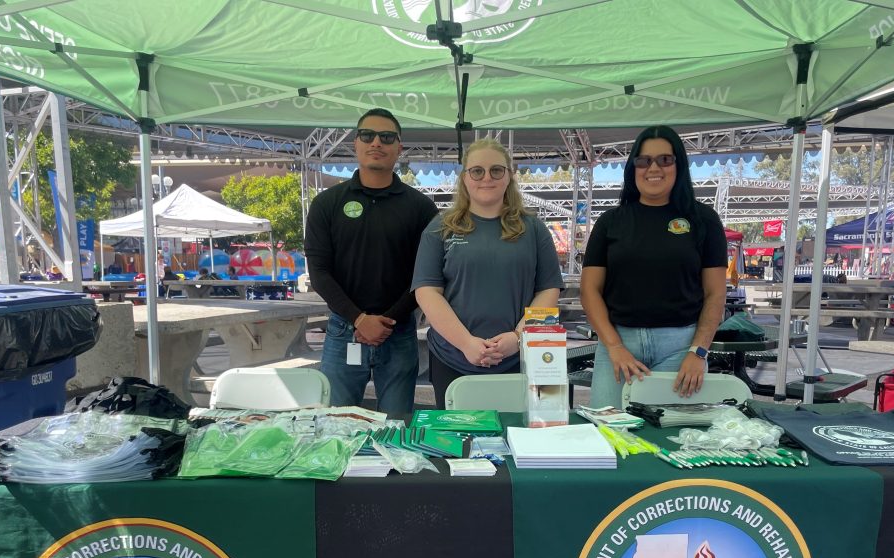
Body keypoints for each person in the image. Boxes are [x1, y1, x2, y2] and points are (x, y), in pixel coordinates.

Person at [580, 124, 727, 407]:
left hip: (680, 348)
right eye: (644, 160)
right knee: (609, 434)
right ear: (633, 167)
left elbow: (715, 295)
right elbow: (589, 291)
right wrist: (614, 346)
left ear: (679, 165)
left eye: (665, 159)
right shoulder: (611, 222)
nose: (653, 168)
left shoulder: (703, 220)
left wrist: (698, 353)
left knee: (670, 439)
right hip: (618, 344)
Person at [305, 108, 438, 413]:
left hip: (399, 331)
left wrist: (387, 320)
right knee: (337, 425)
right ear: (356, 143)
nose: (377, 142)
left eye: (387, 137)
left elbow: (427, 275)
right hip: (343, 332)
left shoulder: (420, 208)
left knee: (396, 426)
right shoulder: (327, 204)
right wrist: (358, 318)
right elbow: (319, 272)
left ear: (399, 147)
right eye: (368, 135)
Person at [412, 139, 563, 406]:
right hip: (453, 359)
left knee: (522, 438)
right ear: (465, 178)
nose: (487, 178)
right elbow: (427, 292)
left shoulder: (534, 229)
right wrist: (466, 343)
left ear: (509, 177)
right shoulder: (439, 228)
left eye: (496, 170)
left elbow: (548, 290)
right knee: (457, 443)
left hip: (523, 359)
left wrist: (519, 338)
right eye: (477, 171)